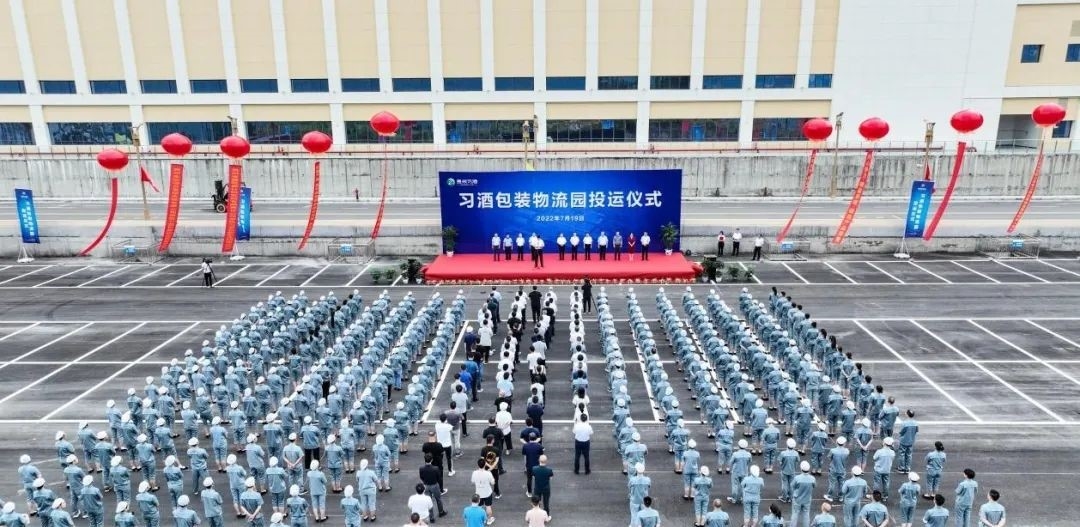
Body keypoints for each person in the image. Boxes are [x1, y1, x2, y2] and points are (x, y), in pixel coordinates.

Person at [791, 461, 815, 527]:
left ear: (801, 469)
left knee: (795, 514)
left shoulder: (797, 478)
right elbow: (814, 486)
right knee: (806, 515)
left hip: (797, 499)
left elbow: (792, 486)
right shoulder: (812, 478)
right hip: (807, 499)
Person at [470, 459, 495, 524]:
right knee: (488, 506)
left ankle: (481, 520)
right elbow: (493, 483)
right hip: (487, 493)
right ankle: (489, 520)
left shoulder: (474, 473)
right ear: (484, 465)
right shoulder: (488, 473)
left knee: (479, 507)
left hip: (478, 494)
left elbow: (472, 482)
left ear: (478, 465)